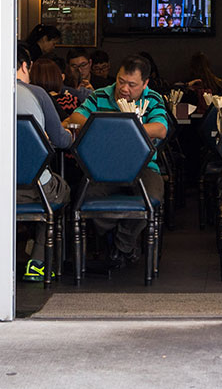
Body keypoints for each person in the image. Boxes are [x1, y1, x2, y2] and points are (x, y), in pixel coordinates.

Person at [61, 55, 169, 268]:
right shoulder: (100, 95)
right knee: (86, 197)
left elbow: (160, 129)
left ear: (145, 84)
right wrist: (110, 127)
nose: (124, 88)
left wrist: (124, 130)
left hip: (143, 167)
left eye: (132, 84)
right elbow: (76, 118)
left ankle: (122, 245)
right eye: (121, 81)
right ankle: (119, 241)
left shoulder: (152, 98)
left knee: (152, 197)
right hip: (105, 168)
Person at [15, 44, 70, 281]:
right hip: (35, 189)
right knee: (62, 190)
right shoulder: (36, 93)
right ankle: (37, 262)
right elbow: (61, 140)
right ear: (25, 66)